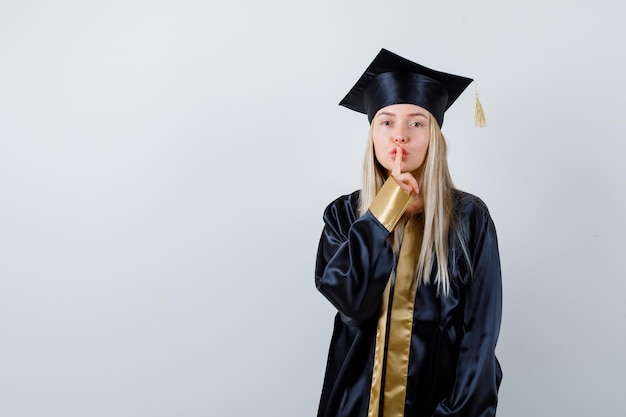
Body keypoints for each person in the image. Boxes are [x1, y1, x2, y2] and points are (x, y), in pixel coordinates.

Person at [315, 49, 503, 417]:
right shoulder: (343, 215)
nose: (399, 136)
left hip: (438, 406)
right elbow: (352, 304)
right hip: (355, 406)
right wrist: (384, 211)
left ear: (434, 136)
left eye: (416, 123)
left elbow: (480, 336)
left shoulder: (469, 218)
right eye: (386, 122)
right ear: (372, 135)